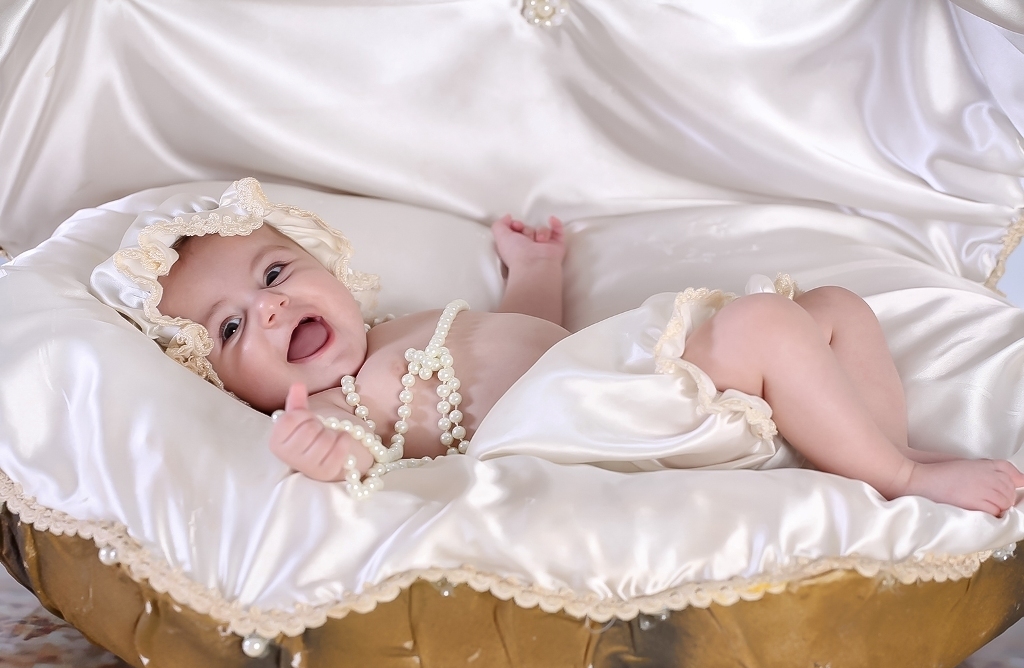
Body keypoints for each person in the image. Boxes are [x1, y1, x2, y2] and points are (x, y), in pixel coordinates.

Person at [154, 208, 1024, 517]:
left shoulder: (402, 326)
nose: (269, 308)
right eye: (231, 328)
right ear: (227, 383)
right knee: (763, 324)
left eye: (275, 275)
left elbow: (529, 335)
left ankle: (872, 460)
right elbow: (360, 462)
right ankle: (904, 476)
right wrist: (322, 453)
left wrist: (535, 269)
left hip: (608, 374)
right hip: (598, 425)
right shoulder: (334, 400)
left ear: (330, 269)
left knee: (835, 308)